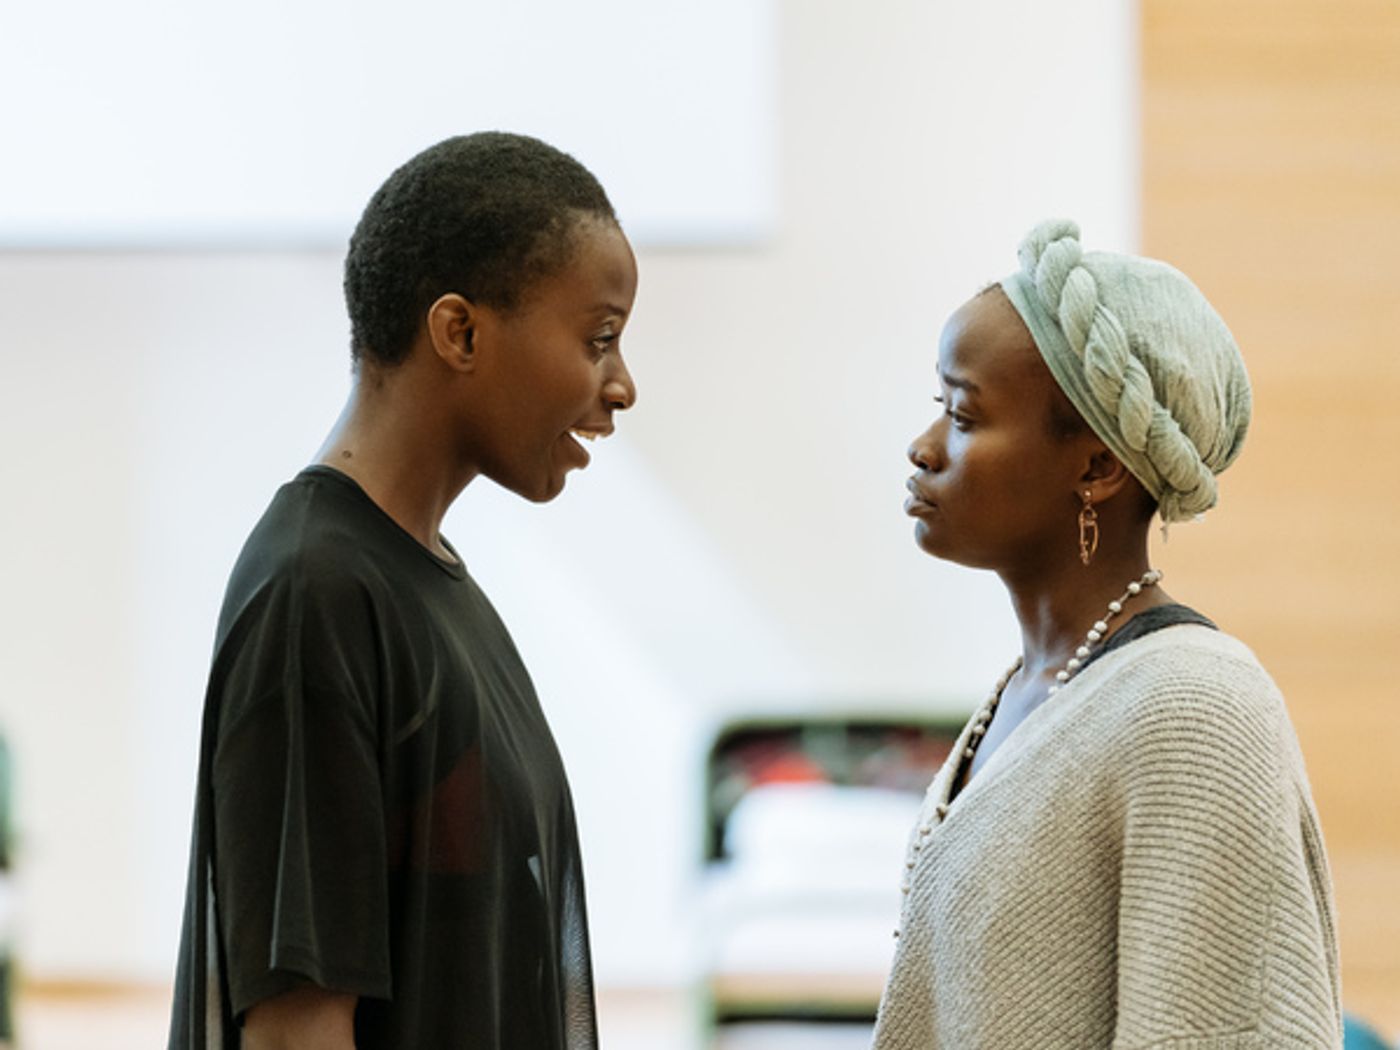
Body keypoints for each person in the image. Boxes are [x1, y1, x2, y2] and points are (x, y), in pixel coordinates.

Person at [167, 132, 638, 1050]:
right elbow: (296, 1030)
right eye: (599, 338)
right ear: (459, 331)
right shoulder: (317, 594)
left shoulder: (428, 578)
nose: (620, 385)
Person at [876, 220, 1341, 1048]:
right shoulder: (1033, 688)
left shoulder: (1196, 711)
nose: (923, 448)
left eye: (964, 415)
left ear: (1096, 468)